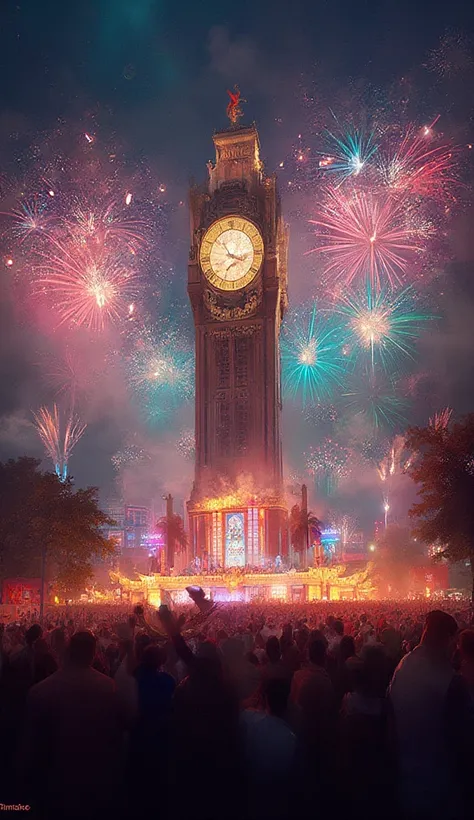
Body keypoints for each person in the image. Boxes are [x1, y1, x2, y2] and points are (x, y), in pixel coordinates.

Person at [19, 631, 125, 820]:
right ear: (93, 654)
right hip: (96, 780)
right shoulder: (109, 687)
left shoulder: (40, 691)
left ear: (67, 652)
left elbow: (31, 746)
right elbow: (116, 735)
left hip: (55, 782)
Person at [389, 610, 470, 820]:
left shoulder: (402, 666)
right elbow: (463, 742)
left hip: (404, 779)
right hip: (440, 787)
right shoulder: (450, 682)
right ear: (449, 639)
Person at [241, 677, 297, 820]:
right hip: (279, 804)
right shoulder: (291, 739)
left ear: (265, 699)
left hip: (250, 798)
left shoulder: (248, 720)